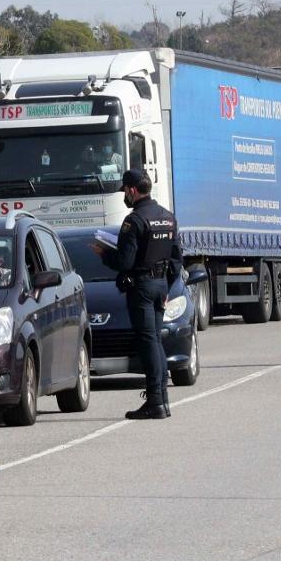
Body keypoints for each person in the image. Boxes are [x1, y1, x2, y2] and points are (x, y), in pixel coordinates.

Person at [101, 168, 182, 420]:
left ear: (132, 190)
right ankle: (163, 400)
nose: (124, 195)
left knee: (148, 343)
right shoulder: (168, 217)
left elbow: (125, 262)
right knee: (156, 341)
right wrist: (166, 288)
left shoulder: (134, 220)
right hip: (160, 285)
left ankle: (155, 401)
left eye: (125, 190)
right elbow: (177, 259)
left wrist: (103, 253)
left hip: (143, 288)